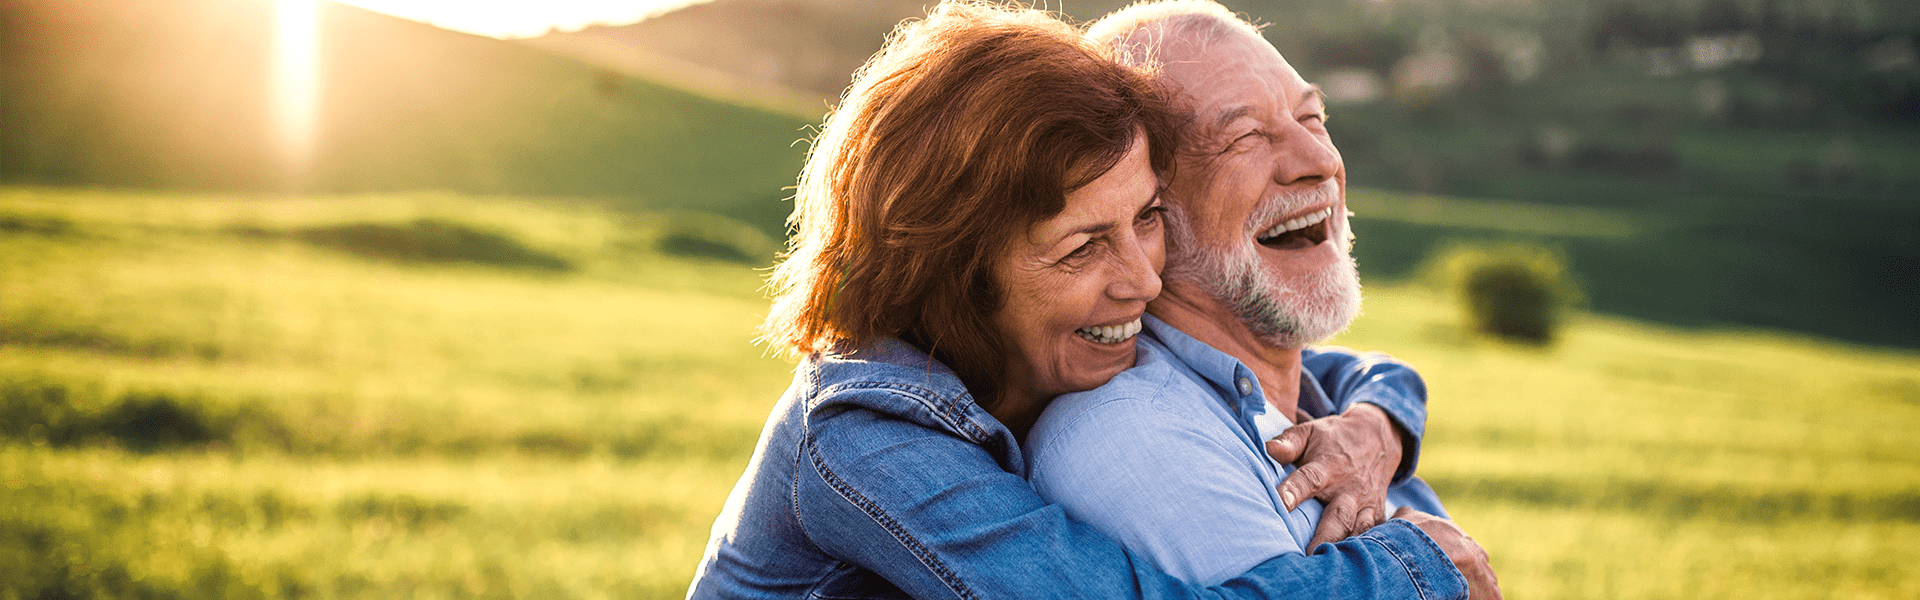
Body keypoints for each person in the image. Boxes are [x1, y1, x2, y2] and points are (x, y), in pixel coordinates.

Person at [687, 2, 1474, 598]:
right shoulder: (867, 438)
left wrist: (1378, 425)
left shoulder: (1050, 362)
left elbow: (1346, 372)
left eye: (1146, 221)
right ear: (957, 274)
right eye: (1084, 247)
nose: (1141, 280)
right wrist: (1417, 565)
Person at [1023, 1, 1501, 597]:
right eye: (1245, 136)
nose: (1320, 162)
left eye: (1314, 119)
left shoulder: (1330, 410)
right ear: (1143, 204)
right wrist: (1432, 570)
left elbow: (1373, 374)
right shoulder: (1134, 438)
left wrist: (1381, 419)